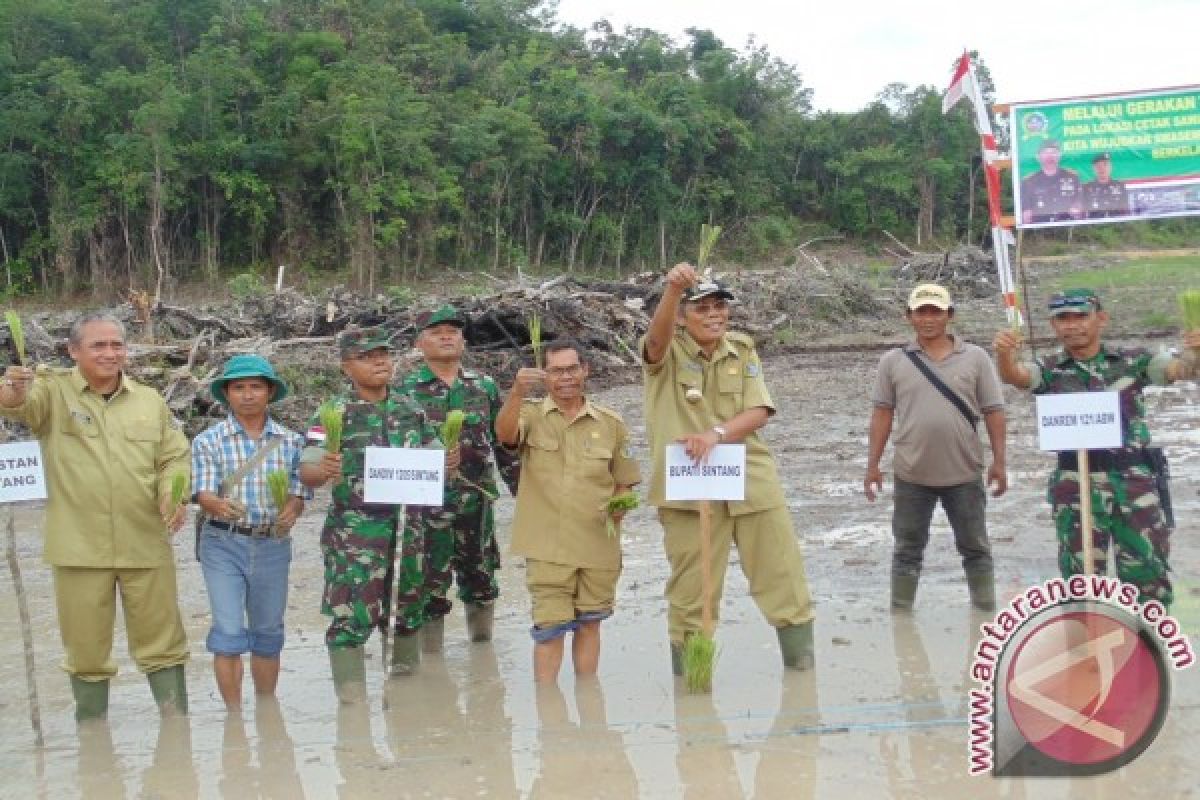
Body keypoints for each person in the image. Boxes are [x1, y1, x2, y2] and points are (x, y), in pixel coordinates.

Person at [0, 312, 190, 721]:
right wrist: (12, 391)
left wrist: (173, 494)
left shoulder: (149, 400)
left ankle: (176, 731)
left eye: (116, 344)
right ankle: (93, 736)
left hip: (145, 541)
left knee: (164, 643)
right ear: (73, 351)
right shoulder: (51, 391)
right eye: (98, 345)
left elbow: (173, 456)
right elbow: (20, 408)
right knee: (85, 649)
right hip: (78, 547)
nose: (109, 353)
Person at [642, 265, 815, 674]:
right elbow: (654, 341)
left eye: (720, 306)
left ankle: (802, 675)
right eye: (702, 308)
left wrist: (717, 435)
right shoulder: (668, 350)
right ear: (683, 316)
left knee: (782, 574)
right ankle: (693, 687)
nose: (714, 314)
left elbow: (759, 410)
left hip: (750, 476)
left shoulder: (741, 348)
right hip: (689, 485)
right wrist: (672, 290)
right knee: (692, 591)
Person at [993, 289, 1200, 607]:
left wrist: (1195, 352)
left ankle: (1152, 651)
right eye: (1063, 318)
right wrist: (1005, 356)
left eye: (1080, 316)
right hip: (1075, 490)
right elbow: (1018, 377)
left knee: (1148, 583)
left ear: (1100, 319)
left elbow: (1177, 371)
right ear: (1053, 325)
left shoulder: (1134, 362)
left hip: (1134, 487)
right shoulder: (1050, 369)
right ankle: (1087, 653)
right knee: (1081, 589)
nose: (1072, 325)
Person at [299, 327, 455, 701]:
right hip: (355, 536)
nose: (380, 361)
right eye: (367, 357)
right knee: (351, 617)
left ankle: (405, 700)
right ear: (346, 367)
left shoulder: (409, 409)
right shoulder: (331, 414)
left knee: (406, 614)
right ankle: (352, 709)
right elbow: (307, 470)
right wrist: (324, 470)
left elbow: (435, 461)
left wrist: (447, 461)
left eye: (383, 354)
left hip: (407, 531)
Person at [495, 339, 640, 682]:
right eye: (556, 371)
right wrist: (516, 391)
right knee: (550, 629)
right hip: (548, 547)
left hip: (597, 545)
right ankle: (550, 713)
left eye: (572, 369)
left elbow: (625, 480)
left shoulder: (611, 424)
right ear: (545, 375)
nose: (565, 378)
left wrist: (621, 506)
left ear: (585, 370)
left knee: (590, 624)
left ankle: (588, 703)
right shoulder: (529, 414)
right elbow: (504, 435)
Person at [864, 284, 1008, 611]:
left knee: (975, 548)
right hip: (912, 474)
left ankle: (985, 613)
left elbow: (994, 412)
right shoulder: (893, 362)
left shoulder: (975, 358)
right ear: (909, 317)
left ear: (949, 315)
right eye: (921, 312)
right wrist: (872, 465)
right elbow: (882, 414)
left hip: (965, 472)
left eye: (936, 311)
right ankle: (901, 614)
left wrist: (1000, 462)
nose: (928, 319)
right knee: (906, 550)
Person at [396, 304, 519, 651]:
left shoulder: (484, 387)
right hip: (425, 507)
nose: (447, 337)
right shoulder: (405, 393)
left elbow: (503, 443)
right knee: (429, 584)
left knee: (481, 578)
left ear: (463, 341)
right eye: (437, 333)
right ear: (420, 343)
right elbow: (392, 451)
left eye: (453, 331)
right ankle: (432, 660)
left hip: (476, 501)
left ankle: (483, 652)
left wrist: (523, 489)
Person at [191, 354, 308, 710]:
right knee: (228, 631)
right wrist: (214, 504)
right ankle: (234, 717)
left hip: (272, 543)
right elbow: (202, 491)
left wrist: (292, 509)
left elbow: (300, 492)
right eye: (238, 387)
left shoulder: (291, 442)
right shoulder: (208, 441)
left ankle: (266, 708)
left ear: (269, 392)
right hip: (223, 542)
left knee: (268, 632)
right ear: (226, 394)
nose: (247, 394)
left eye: (256, 387)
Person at [1020, 139, 1083, 224]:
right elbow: (1026, 210)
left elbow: (1080, 200)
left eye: (1053, 152)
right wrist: (1026, 213)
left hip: (1067, 225)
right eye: (1045, 152)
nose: (1050, 156)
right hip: (1039, 227)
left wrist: (1077, 208)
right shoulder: (1028, 181)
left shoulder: (1073, 177)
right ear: (1038, 157)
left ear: (1060, 155)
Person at [1082, 152, 1130, 219]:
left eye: (1105, 164)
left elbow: (1126, 211)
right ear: (1093, 169)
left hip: (1117, 226)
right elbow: (1083, 213)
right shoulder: (1086, 188)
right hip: (1094, 226)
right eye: (1098, 166)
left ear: (1110, 167)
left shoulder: (1120, 186)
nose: (1102, 168)